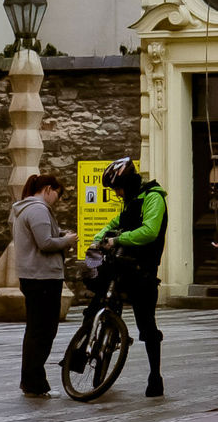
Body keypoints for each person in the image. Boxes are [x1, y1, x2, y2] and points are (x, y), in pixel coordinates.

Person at [92, 157, 168, 398]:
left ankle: (155, 376)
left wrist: (117, 240)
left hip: (143, 270)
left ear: (129, 182)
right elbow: (116, 222)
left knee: (147, 327)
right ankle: (90, 347)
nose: (116, 193)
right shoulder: (130, 200)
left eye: (118, 188)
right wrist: (99, 236)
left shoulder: (153, 198)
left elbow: (149, 231)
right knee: (97, 304)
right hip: (121, 266)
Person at [10, 173, 78, 398]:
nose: (57, 199)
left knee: (36, 330)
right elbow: (45, 243)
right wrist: (67, 241)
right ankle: (34, 382)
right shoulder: (38, 209)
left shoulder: (25, 209)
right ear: (48, 189)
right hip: (43, 277)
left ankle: (31, 380)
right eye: (58, 194)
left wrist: (59, 234)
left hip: (33, 276)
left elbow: (41, 235)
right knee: (44, 331)